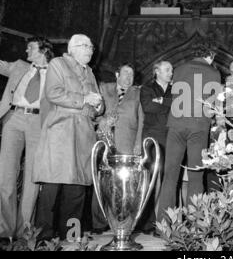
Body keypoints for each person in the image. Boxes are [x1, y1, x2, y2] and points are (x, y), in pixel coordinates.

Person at [33, 34, 104, 241]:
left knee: (77, 190)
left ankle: (71, 236)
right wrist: (84, 99)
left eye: (91, 46)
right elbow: (53, 93)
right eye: (85, 46)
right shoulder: (58, 64)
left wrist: (99, 107)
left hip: (84, 135)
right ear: (71, 48)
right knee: (52, 189)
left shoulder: (90, 72)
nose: (90, 49)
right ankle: (43, 239)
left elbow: (97, 105)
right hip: (61, 131)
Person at [157, 41, 221, 225]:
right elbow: (213, 104)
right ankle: (196, 224)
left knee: (170, 176)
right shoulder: (214, 72)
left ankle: (164, 224)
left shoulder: (179, 69)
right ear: (210, 56)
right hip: (198, 128)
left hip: (176, 126)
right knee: (196, 176)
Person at [0, 37, 53, 240]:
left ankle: (24, 232)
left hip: (38, 122)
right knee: (5, 175)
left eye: (30, 47)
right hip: (13, 118)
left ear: (42, 49)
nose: (26, 51)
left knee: (32, 177)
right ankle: (5, 230)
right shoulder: (19, 66)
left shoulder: (55, 71)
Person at [91, 63, 144, 234]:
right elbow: (92, 112)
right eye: (125, 73)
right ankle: (98, 224)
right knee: (100, 183)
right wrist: (102, 121)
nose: (129, 78)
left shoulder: (138, 92)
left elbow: (142, 120)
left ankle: (121, 224)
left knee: (123, 186)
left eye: (131, 75)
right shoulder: (103, 88)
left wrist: (138, 144)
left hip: (127, 144)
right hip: (103, 143)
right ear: (116, 74)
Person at [138, 60, 173, 234]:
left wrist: (162, 101)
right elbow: (149, 107)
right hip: (153, 139)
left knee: (169, 180)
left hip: (172, 138)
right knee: (149, 181)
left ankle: (165, 222)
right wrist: (169, 103)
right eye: (167, 70)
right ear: (157, 71)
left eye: (171, 70)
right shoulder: (146, 88)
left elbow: (179, 107)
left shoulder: (176, 90)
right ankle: (146, 223)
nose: (171, 73)